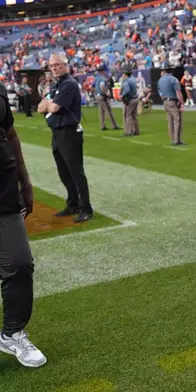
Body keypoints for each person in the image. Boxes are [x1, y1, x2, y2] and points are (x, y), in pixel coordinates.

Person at [0, 81, 47, 368]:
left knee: (18, 263)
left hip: (4, 193)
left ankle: (12, 333)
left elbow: (10, 133)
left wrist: (25, 181)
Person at [38, 53, 93, 223]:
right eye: (52, 66)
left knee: (75, 171)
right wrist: (49, 104)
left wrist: (50, 104)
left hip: (69, 132)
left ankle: (85, 208)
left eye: (57, 65)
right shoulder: (58, 84)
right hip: (58, 132)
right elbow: (41, 107)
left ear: (65, 64)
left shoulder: (69, 84)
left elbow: (53, 107)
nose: (54, 68)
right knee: (63, 171)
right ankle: (73, 204)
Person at [157, 67, 185, 145]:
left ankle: (172, 139)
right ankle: (177, 140)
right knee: (177, 120)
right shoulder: (174, 79)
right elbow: (178, 93)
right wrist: (182, 103)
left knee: (170, 121)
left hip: (165, 101)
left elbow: (160, 93)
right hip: (173, 101)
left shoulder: (160, 80)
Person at [94, 65, 120, 131]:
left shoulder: (96, 78)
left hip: (98, 95)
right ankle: (114, 125)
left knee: (101, 111)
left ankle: (102, 125)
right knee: (109, 111)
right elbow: (102, 86)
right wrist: (106, 93)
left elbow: (93, 87)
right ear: (103, 71)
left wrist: (97, 92)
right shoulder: (103, 78)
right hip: (103, 96)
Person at [119, 66, 140, 137]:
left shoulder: (126, 81)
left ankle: (128, 131)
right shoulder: (134, 79)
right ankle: (136, 130)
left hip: (130, 99)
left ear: (125, 74)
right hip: (135, 98)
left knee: (128, 116)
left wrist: (122, 95)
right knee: (134, 116)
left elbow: (127, 90)